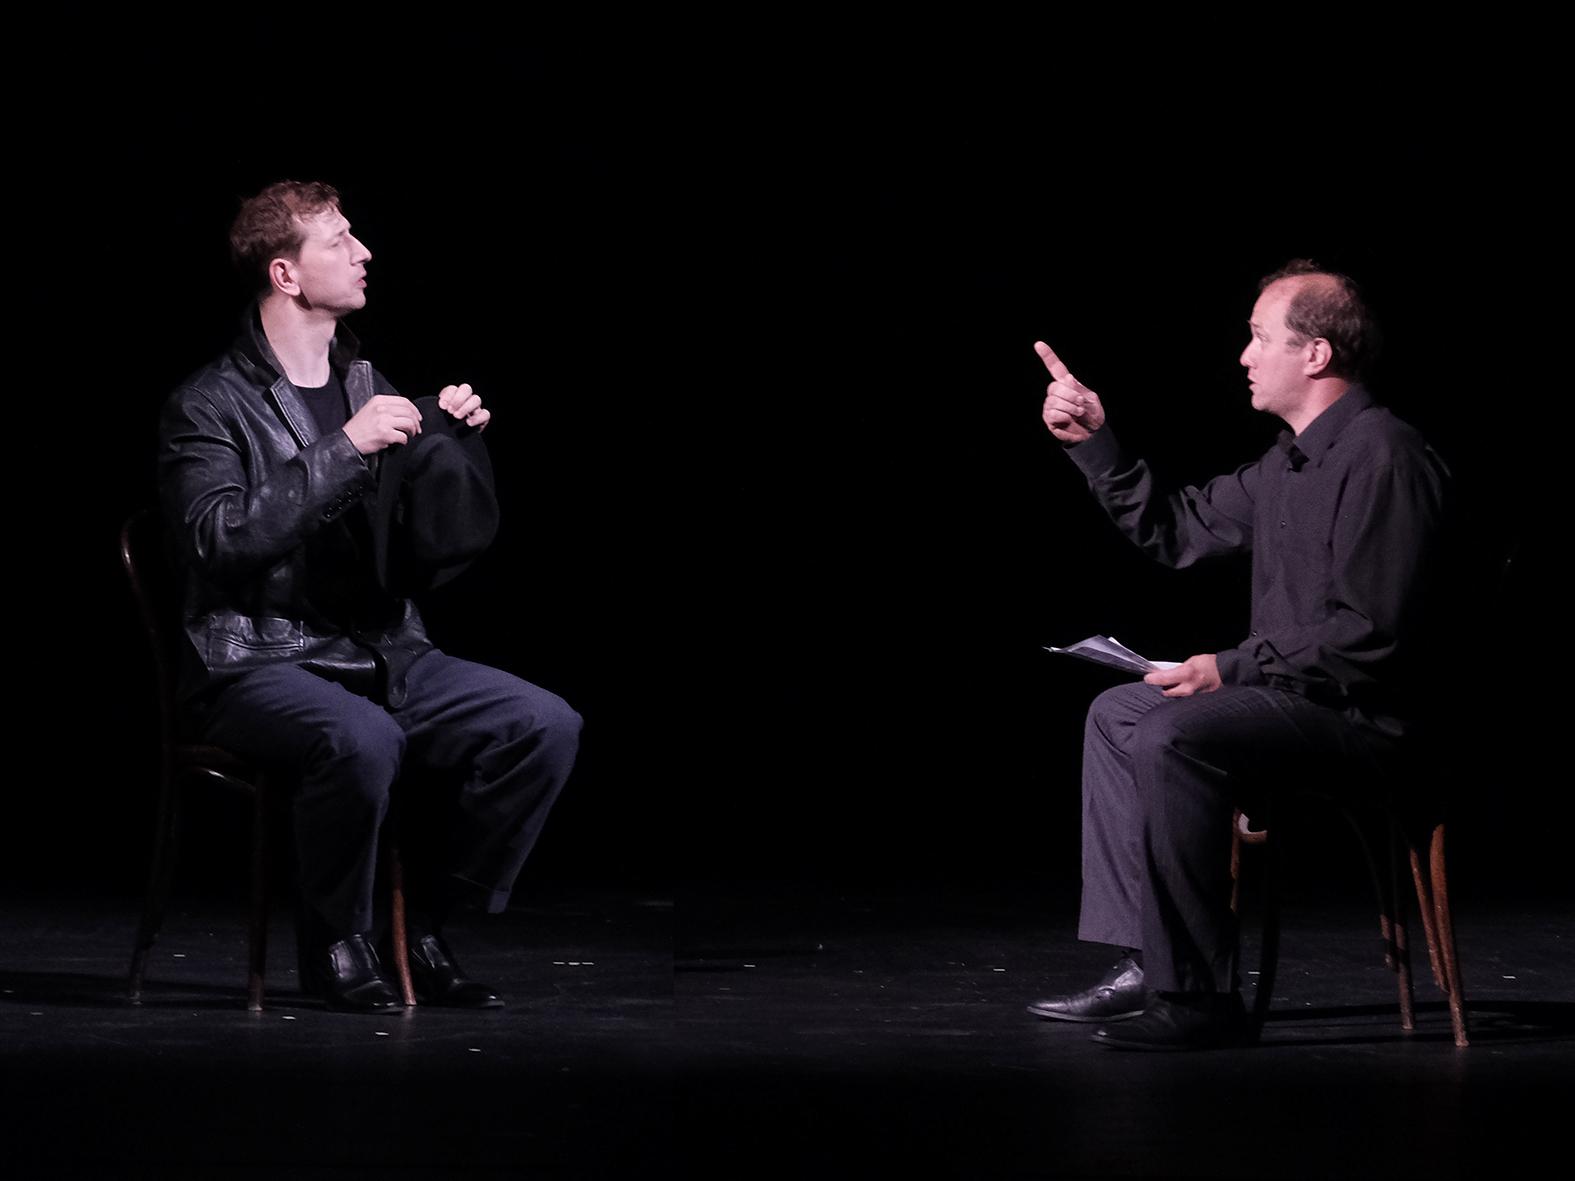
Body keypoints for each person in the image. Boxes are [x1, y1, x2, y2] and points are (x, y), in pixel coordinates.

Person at [158, 180, 582, 1013]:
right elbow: (217, 538)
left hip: (381, 649)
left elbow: (424, 551)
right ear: (285, 273)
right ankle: (337, 941)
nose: (364, 252)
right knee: (361, 737)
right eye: (340, 240)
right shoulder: (206, 404)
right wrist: (345, 450)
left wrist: (451, 449)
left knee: (541, 724)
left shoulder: (366, 382)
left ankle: (419, 922)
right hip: (254, 663)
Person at [1028, 261, 1447, 1050]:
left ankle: (1197, 998)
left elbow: (1369, 633)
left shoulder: (1384, 455)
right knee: (1120, 713)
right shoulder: (1286, 464)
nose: (1244, 355)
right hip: (1294, 701)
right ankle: (1150, 960)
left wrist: (1228, 668)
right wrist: (1095, 443)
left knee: (1176, 730)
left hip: (1368, 720)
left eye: (1259, 337)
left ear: (1314, 353)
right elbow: (1175, 530)